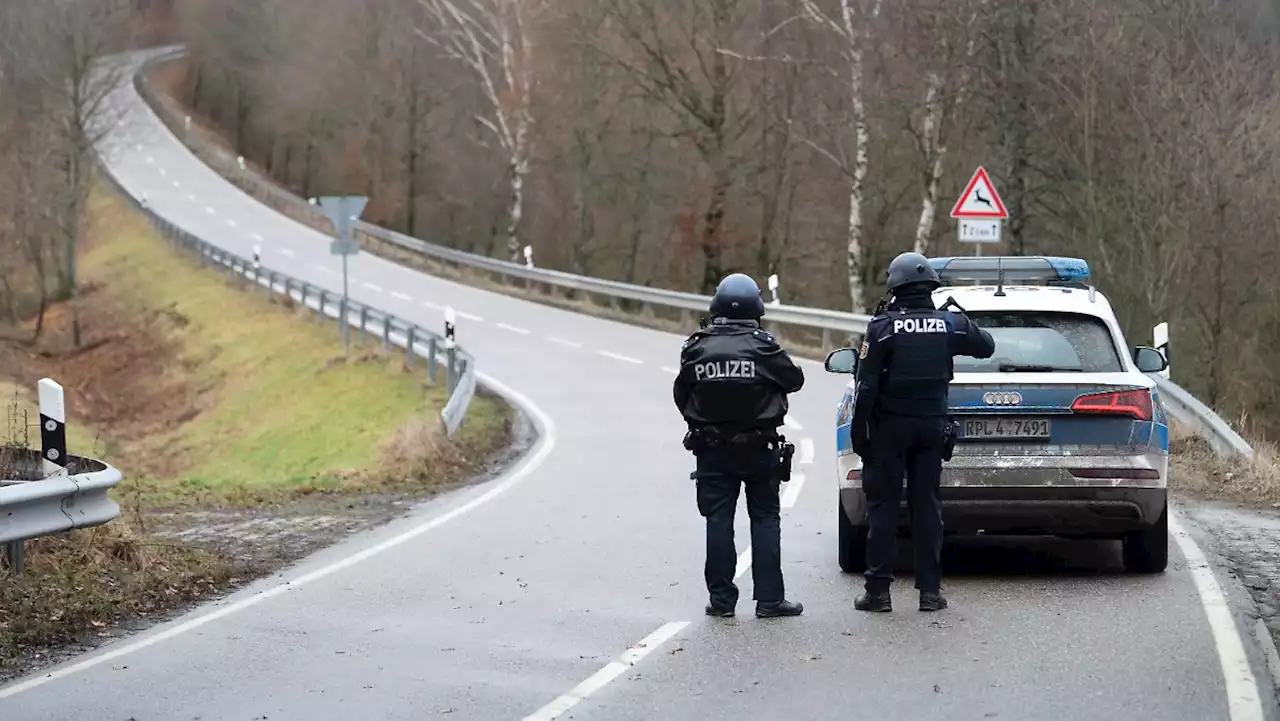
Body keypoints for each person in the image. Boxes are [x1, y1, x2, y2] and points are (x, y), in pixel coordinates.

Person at [850, 251, 995, 613]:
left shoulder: (882, 328)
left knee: (882, 508)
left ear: (895, 287)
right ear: (931, 285)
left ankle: (878, 593)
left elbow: (865, 387)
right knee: (927, 507)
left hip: (888, 429)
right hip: (931, 428)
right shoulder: (950, 324)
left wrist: (859, 432)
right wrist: (960, 317)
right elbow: (986, 345)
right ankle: (930, 593)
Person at [674, 273, 806, 619]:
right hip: (760, 449)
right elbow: (795, 380)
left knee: (718, 521)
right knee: (764, 519)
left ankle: (721, 602)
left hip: (712, 449)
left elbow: (681, 393)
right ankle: (769, 600)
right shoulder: (763, 345)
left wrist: (699, 425)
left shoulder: (696, 347)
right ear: (756, 308)